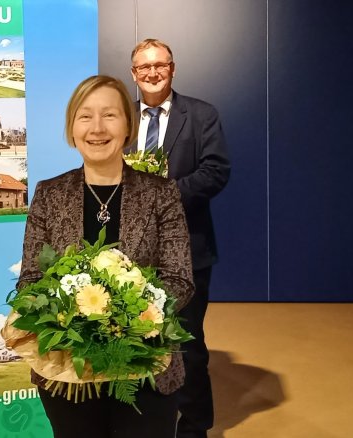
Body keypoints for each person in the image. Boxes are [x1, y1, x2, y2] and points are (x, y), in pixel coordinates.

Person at [17, 75, 194, 437]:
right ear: (72, 127)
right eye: (85, 116)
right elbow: (30, 280)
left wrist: (124, 318)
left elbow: (179, 279)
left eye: (109, 115)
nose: (97, 128)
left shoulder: (161, 193)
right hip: (68, 370)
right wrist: (77, 323)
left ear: (128, 125)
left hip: (146, 367)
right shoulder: (49, 194)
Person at [128, 38, 230, 438]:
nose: (152, 73)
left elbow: (216, 171)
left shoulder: (202, 115)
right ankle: (142, 422)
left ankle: (193, 427)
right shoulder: (121, 117)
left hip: (188, 250)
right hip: (131, 253)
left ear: (172, 68)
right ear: (133, 73)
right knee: (134, 338)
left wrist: (163, 196)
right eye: (143, 67)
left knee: (187, 344)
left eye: (160, 65)